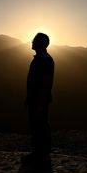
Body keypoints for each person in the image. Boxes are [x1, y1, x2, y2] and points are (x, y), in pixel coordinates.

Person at [25, 32, 54, 164]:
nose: (32, 42)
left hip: (39, 100)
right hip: (36, 99)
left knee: (39, 126)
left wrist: (41, 104)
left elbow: (46, 84)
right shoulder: (41, 58)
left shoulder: (44, 60)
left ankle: (40, 155)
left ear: (41, 43)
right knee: (37, 126)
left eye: (35, 40)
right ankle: (39, 153)